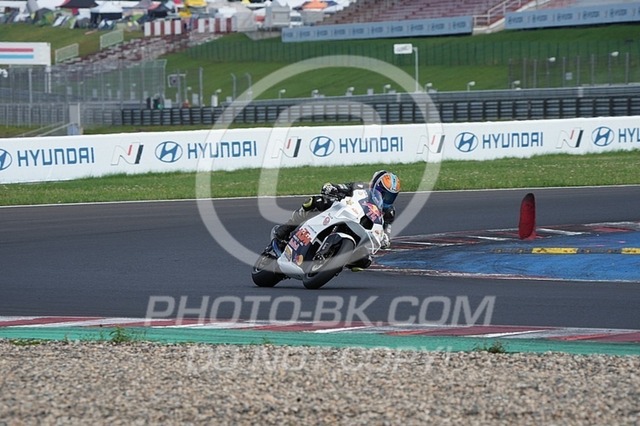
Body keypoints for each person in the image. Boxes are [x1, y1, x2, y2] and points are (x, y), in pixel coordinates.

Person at [274, 170, 401, 258]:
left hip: (361, 230)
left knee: (364, 261)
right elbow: (341, 187)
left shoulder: (389, 212)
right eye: (383, 193)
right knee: (315, 201)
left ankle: (339, 259)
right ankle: (287, 228)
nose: (385, 198)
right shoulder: (360, 186)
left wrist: (385, 239)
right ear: (374, 184)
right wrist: (332, 188)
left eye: (390, 196)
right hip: (345, 211)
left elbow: (387, 231)